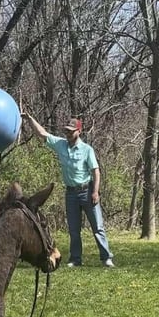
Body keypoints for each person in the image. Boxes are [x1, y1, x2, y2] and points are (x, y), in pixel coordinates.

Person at [21, 113, 114, 267]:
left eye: (71, 131)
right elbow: (43, 134)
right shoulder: (61, 144)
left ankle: (106, 257)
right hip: (71, 193)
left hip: (87, 191)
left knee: (97, 227)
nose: (68, 134)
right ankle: (76, 259)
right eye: (67, 131)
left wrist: (95, 191)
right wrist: (30, 119)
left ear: (79, 131)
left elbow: (95, 171)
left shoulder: (87, 150)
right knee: (74, 229)